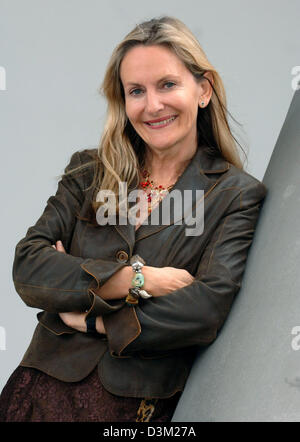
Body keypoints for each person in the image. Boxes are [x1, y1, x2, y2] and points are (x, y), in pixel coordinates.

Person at [0, 16, 267, 422]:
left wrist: (91, 320)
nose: (152, 105)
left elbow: (203, 309)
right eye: (136, 91)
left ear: (203, 90)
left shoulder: (235, 194)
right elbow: (30, 267)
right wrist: (138, 280)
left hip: (131, 409)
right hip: (36, 393)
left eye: (167, 85)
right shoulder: (88, 172)